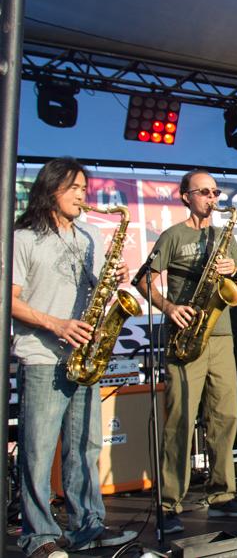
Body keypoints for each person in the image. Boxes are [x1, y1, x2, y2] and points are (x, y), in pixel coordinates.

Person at [11, 158, 138, 558]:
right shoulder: (23, 238)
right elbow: (8, 300)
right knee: (38, 452)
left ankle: (88, 526)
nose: (83, 195)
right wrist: (57, 324)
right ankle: (38, 537)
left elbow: (98, 292)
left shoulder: (89, 236)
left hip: (84, 356)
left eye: (85, 188)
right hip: (42, 355)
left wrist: (115, 280)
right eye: (74, 188)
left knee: (85, 448)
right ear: (51, 189)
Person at [135, 170, 237, 534]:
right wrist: (170, 307)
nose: (211, 198)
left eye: (215, 192)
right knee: (180, 421)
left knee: (224, 416)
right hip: (185, 337)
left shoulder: (222, 236)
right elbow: (143, 280)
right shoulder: (173, 235)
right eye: (204, 192)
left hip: (220, 335)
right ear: (186, 196)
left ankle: (222, 495)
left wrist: (234, 273)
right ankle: (169, 503)